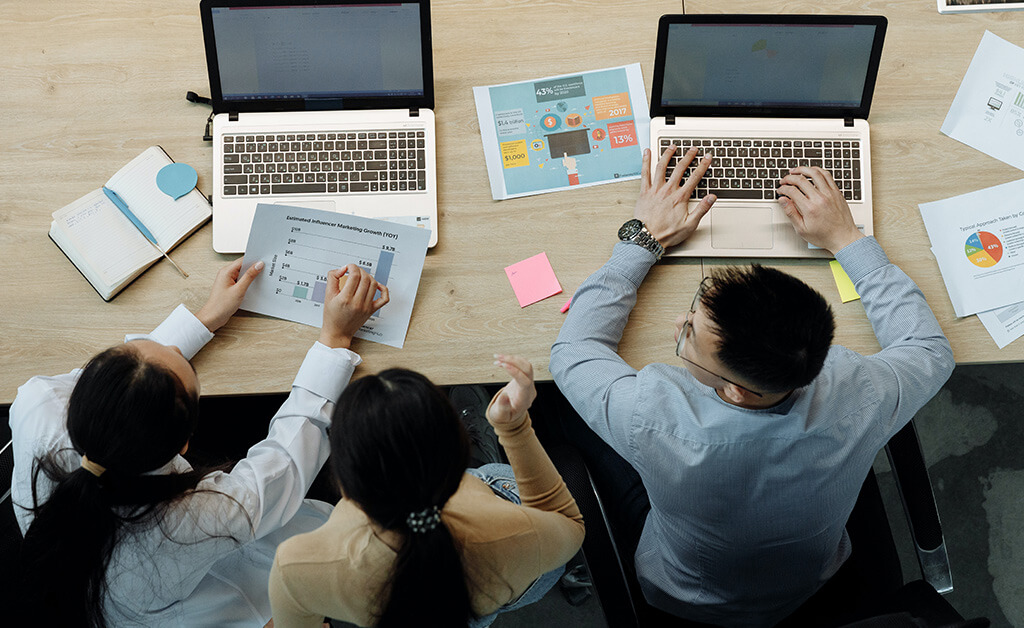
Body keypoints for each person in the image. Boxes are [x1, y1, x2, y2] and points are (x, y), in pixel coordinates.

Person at [549, 146, 955, 627]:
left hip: (684, 599)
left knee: (552, 411)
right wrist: (848, 239)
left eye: (688, 336)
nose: (680, 323)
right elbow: (929, 350)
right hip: (816, 583)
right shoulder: (859, 393)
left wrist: (642, 240)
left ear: (739, 391)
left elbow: (573, 351)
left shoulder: (653, 416)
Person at [10, 259, 388, 627]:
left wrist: (205, 317)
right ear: (186, 445)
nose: (173, 349)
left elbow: (132, 378)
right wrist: (335, 340)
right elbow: (284, 465)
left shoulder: (38, 402)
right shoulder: (194, 523)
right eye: (179, 361)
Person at [267, 355, 585, 628]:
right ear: (458, 452)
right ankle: (482, 456)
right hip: (506, 574)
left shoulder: (296, 567)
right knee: (497, 479)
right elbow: (569, 524)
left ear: (344, 480)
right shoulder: (517, 534)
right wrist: (514, 427)